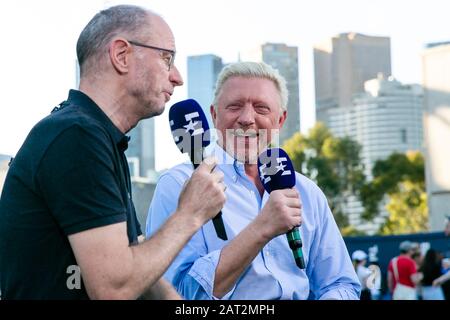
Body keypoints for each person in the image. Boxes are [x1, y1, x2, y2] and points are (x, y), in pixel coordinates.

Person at [0, 5, 226, 300]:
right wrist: (191, 213)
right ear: (121, 55)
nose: (177, 77)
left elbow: (141, 273)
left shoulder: (100, 140)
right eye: (167, 58)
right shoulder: (75, 137)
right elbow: (113, 289)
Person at [146, 61, 360, 300]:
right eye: (235, 106)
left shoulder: (308, 192)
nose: (247, 118)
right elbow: (176, 294)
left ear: (280, 120)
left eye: (261, 108)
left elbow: (342, 284)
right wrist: (262, 228)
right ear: (214, 116)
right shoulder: (178, 184)